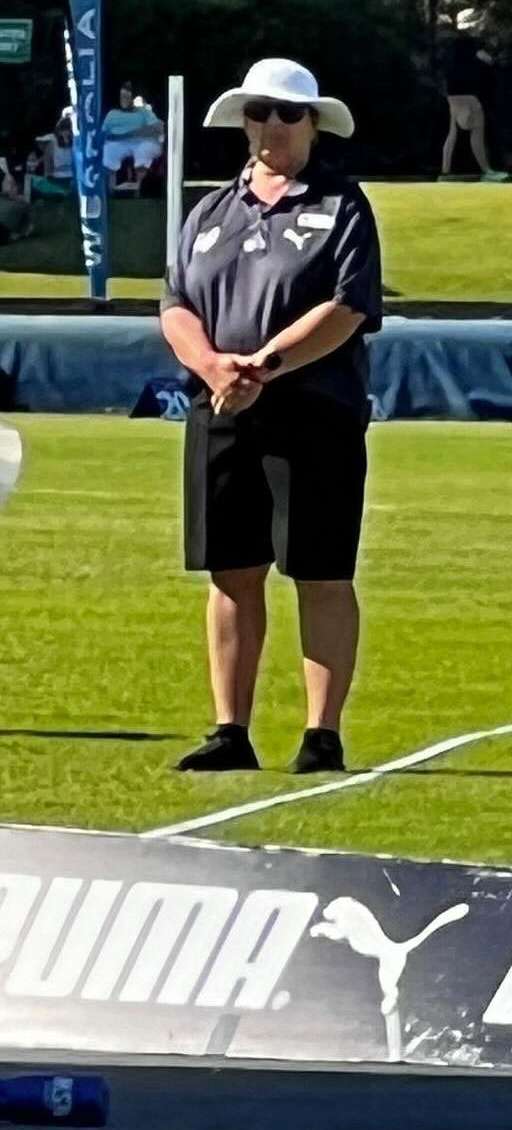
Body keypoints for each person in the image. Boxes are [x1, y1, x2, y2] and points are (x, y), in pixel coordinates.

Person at [160, 58, 382, 776]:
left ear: (313, 123)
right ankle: (231, 729)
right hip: (223, 403)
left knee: (320, 570)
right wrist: (213, 366)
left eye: (288, 113)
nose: (273, 125)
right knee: (231, 570)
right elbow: (175, 304)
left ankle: (322, 734)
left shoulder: (342, 205)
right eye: (260, 111)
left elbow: (347, 307)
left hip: (314, 409)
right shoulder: (210, 212)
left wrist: (264, 365)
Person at [439, 9, 508, 182]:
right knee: (477, 131)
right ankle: (487, 171)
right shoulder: (473, 43)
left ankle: (444, 173)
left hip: (452, 93)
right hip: (469, 94)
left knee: (452, 133)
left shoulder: (451, 43)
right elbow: (487, 60)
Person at [102, 82, 164, 186]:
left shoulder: (144, 112)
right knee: (108, 150)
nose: (124, 99)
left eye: (127, 97)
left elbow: (158, 127)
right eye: (122, 97)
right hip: (118, 142)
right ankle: (110, 188)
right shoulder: (112, 114)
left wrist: (134, 133)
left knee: (144, 149)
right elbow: (104, 132)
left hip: (141, 141)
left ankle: (140, 187)